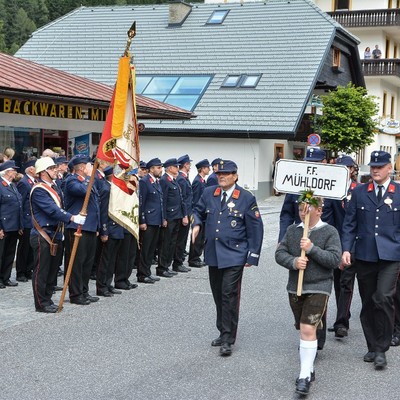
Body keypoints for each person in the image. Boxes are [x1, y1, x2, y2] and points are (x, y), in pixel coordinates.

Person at [192, 160, 264, 356]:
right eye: (219, 173)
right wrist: (197, 224)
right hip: (214, 252)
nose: (221, 176)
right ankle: (222, 329)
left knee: (228, 294)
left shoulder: (246, 198)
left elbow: (256, 227)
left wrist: (253, 254)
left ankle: (227, 337)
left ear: (235, 175)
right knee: (217, 294)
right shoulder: (210, 193)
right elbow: (197, 210)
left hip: (235, 254)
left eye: (226, 173)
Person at [275, 194, 341, 396]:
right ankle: (309, 366)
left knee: (307, 327)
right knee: (303, 327)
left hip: (319, 286)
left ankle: (303, 376)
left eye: (308, 207)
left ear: (319, 210)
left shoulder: (330, 232)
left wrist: (311, 249)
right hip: (296, 287)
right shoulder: (292, 231)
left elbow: (334, 259)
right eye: (301, 206)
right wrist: (294, 262)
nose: (303, 210)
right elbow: (280, 253)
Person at [342, 150, 400, 370]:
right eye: (373, 166)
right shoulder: (359, 192)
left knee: (383, 298)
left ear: (389, 168)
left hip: (391, 256)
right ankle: (372, 345)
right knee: (367, 301)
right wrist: (346, 249)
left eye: (380, 166)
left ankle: (381, 349)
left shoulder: (398, 192)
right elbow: (349, 224)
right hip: (365, 254)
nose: (375, 170)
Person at [30, 157, 85, 313]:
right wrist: (72, 217)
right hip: (43, 233)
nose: (56, 170)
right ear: (44, 172)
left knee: (52, 270)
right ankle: (41, 303)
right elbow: (52, 209)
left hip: (55, 233)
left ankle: (48, 298)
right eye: (53, 168)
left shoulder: (55, 186)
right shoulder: (39, 189)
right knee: (42, 270)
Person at [327, 155, 361, 338]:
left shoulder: (358, 190)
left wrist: (350, 247)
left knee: (346, 282)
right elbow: (330, 221)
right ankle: (343, 314)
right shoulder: (332, 192)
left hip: (355, 244)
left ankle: (341, 323)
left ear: (351, 170)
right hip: (337, 244)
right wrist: (335, 248)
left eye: (345, 169)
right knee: (338, 283)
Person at [64, 154, 100, 305]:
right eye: (89, 166)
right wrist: (88, 179)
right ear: (82, 167)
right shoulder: (71, 180)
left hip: (90, 227)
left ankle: (84, 291)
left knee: (87, 262)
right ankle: (76, 294)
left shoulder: (87, 181)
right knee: (77, 262)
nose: (92, 169)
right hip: (77, 227)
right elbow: (83, 191)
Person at [157, 158, 186, 278]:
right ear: (169, 168)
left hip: (176, 215)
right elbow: (162, 201)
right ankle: (162, 267)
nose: (178, 168)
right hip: (169, 216)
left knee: (172, 242)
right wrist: (163, 218)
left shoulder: (173, 180)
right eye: (176, 166)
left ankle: (167, 266)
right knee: (166, 243)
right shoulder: (164, 180)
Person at [137, 158, 164, 283]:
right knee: (146, 248)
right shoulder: (144, 181)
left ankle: (147, 271)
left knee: (151, 248)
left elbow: (160, 202)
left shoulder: (156, 182)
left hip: (156, 220)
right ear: (151, 169)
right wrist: (142, 220)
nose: (160, 169)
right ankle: (142, 274)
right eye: (158, 167)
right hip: (148, 220)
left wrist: (162, 218)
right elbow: (141, 202)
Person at [0, 160, 23, 289]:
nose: (15, 172)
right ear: (7, 172)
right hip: (3, 226)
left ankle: (6, 277)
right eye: (14, 170)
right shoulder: (0, 185)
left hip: (13, 226)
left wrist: (20, 226)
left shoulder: (13, 185)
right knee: (1, 254)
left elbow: (19, 206)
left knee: (9, 253)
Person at [15, 159, 37, 282]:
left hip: (33, 219)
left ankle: (28, 270)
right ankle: (21, 272)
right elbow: (21, 203)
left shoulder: (34, 181)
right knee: (23, 248)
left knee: (31, 247)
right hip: (26, 219)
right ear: (30, 169)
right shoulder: (24, 182)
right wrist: (21, 223)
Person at [172, 154, 193, 273]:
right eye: (189, 164)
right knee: (180, 240)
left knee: (182, 239)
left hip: (187, 212)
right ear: (185, 165)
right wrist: (185, 215)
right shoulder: (180, 178)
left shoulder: (183, 177)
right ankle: (177, 263)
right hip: (184, 213)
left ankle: (178, 261)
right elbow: (182, 199)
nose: (190, 166)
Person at [188, 159, 210, 268]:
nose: (209, 169)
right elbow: (196, 199)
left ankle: (196, 257)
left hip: (203, 214)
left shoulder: (202, 181)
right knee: (197, 237)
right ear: (202, 169)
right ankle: (193, 259)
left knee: (201, 238)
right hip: (198, 213)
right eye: (207, 167)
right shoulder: (197, 181)